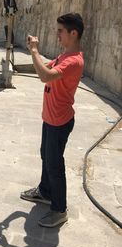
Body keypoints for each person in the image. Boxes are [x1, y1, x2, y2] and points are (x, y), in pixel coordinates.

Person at [19, 13, 85, 229]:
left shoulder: (73, 61)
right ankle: (45, 192)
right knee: (45, 156)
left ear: (73, 33)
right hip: (50, 119)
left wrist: (35, 50)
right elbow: (45, 69)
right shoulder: (64, 56)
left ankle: (59, 210)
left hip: (59, 122)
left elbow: (46, 76)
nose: (57, 34)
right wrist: (33, 55)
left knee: (55, 165)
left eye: (60, 31)